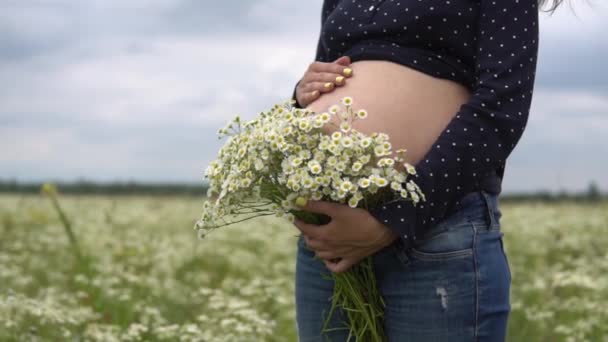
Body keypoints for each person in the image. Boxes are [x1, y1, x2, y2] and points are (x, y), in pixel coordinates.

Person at [289, 0, 564, 341]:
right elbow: (326, 76)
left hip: (437, 229)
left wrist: (394, 219)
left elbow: (501, 106)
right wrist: (302, 95)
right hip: (332, 233)